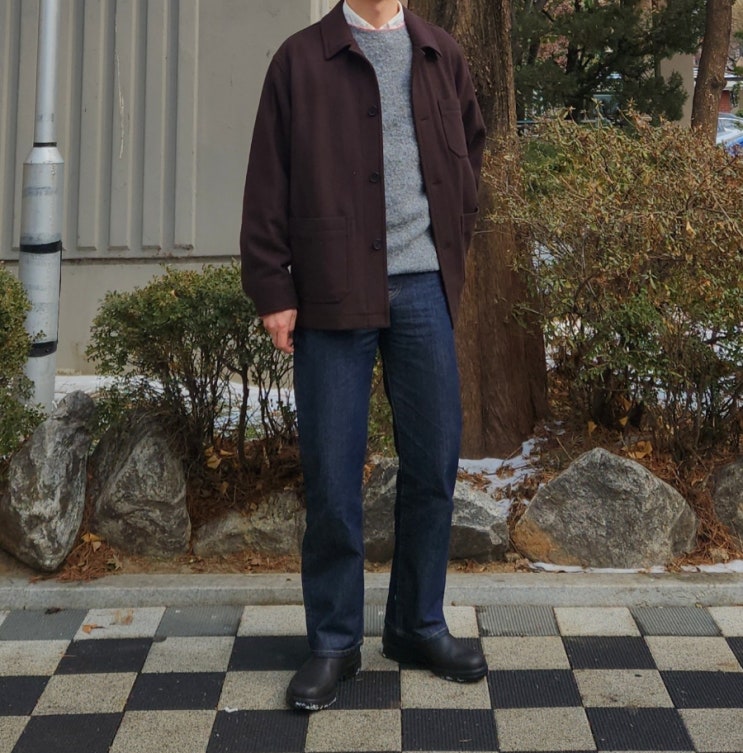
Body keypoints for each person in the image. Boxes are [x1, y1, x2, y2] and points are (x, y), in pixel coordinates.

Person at [240, 0, 487, 711]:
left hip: (423, 289)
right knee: (331, 474)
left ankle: (416, 625)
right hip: (331, 290)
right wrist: (273, 287)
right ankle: (334, 641)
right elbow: (267, 179)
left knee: (434, 465)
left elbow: (470, 151)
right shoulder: (299, 59)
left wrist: (453, 235)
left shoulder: (440, 54)